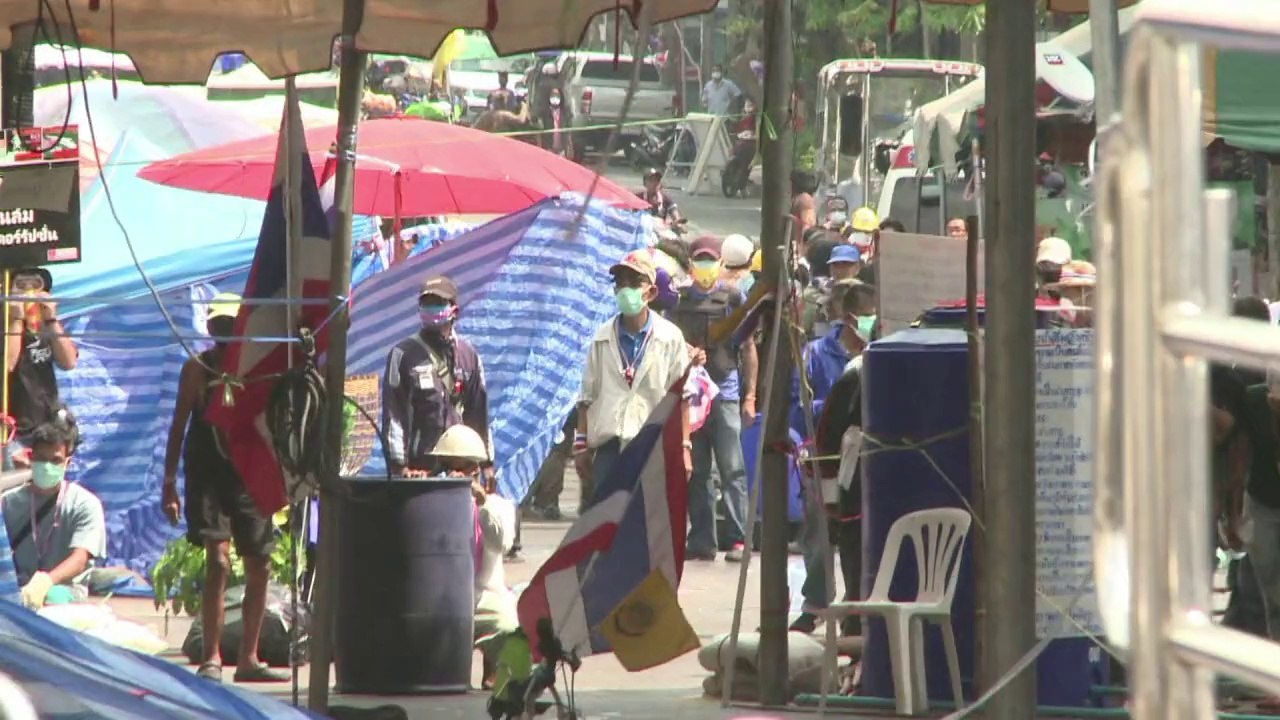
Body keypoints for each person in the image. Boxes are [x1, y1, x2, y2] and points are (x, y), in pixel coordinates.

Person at [161, 293, 286, 682]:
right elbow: (179, 427)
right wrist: (169, 484)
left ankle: (248, 658)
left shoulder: (259, 369)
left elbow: (277, 424)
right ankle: (211, 658)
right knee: (217, 562)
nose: (224, 333)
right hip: (208, 476)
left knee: (259, 564)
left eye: (231, 326)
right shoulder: (197, 370)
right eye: (218, 326)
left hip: (248, 474)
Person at [790, 280, 877, 632]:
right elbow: (800, 407)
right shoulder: (815, 353)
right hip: (824, 455)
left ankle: (856, 613)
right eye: (870, 317)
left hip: (861, 462)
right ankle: (815, 605)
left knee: (858, 536)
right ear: (851, 317)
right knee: (820, 534)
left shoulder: (877, 355)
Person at [575, 251, 691, 508]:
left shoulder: (670, 337)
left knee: (645, 522)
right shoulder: (601, 338)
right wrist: (581, 446)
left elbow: (683, 397)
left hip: (652, 444)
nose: (625, 289)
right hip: (609, 444)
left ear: (650, 293)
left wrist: (684, 447)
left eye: (633, 282)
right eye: (621, 283)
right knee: (605, 523)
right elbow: (586, 397)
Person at [672, 236, 759, 562]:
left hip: (725, 392)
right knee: (699, 472)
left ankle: (737, 539)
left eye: (710, 260)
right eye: (700, 260)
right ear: (691, 264)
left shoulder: (733, 299)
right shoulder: (678, 302)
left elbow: (748, 347)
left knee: (733, 468)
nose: (705, 267)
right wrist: (687, 354)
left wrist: (750, 396)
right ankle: (702, 540)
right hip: (692, 399)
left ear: (721, 263)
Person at [430, 424, 516, 688]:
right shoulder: (431, 502)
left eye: (461, 469)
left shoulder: (499, 507)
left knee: (509, 627)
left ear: (475, 471)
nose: (453, 475)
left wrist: (483, 503)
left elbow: (501, 542)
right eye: (447, 468)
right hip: (439, 598)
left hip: (481, 596)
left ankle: (498, 679)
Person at [383, 275, 492, 478]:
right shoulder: (403, 354)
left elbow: (479, 415)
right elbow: (394, 415)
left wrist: (485, 465)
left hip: (459, 471)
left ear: (454, 311)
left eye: (437, 304)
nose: (431, 309)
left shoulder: (469, 357)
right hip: (419, 471)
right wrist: (399, 468)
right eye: (426, 304)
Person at [2, 410, 105, 608]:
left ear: (68, 462)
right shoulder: (9, 503)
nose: (47, 466)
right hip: (20, 590)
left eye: (55, 460)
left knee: (54, 597)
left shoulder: (84, 504)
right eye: (41, 459)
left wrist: (46, 582)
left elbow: (80, 558)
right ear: (30, 458)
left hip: (65, 593)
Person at [6, 266, 78, 468]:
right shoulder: (6, 325)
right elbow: (8, 365)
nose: (29, 292)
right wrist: (16, 319)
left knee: (48, 484)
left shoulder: (47, 327)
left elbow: (69, 362)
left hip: (47, 426)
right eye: (21, 285)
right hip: (13, 431)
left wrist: (51, 319)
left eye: (35, 285)